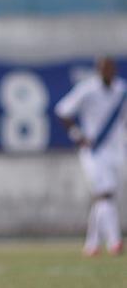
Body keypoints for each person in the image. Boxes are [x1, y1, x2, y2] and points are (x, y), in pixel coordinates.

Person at [55, 56, 125, 256]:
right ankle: (115, 241)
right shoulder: (87, 89)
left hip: (117, 150)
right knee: (105, 193)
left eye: (110, 68)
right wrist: (77, 135)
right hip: (94, 151)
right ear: (98, 70)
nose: (107, 72)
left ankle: (92, 244)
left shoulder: (121, 90)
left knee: (105, 197)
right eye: (103, 69)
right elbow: (63, 110)